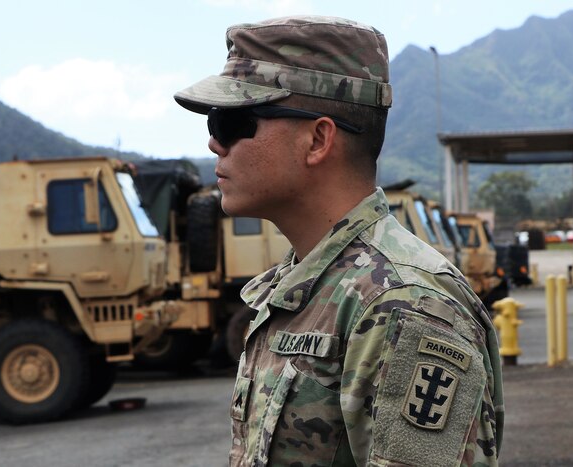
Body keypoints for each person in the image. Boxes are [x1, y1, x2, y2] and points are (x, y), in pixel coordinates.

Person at [174, 16, 503, 467]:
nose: (214, 143)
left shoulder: (402, 305)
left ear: (317, 140)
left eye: (232, 122)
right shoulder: (302, 285)